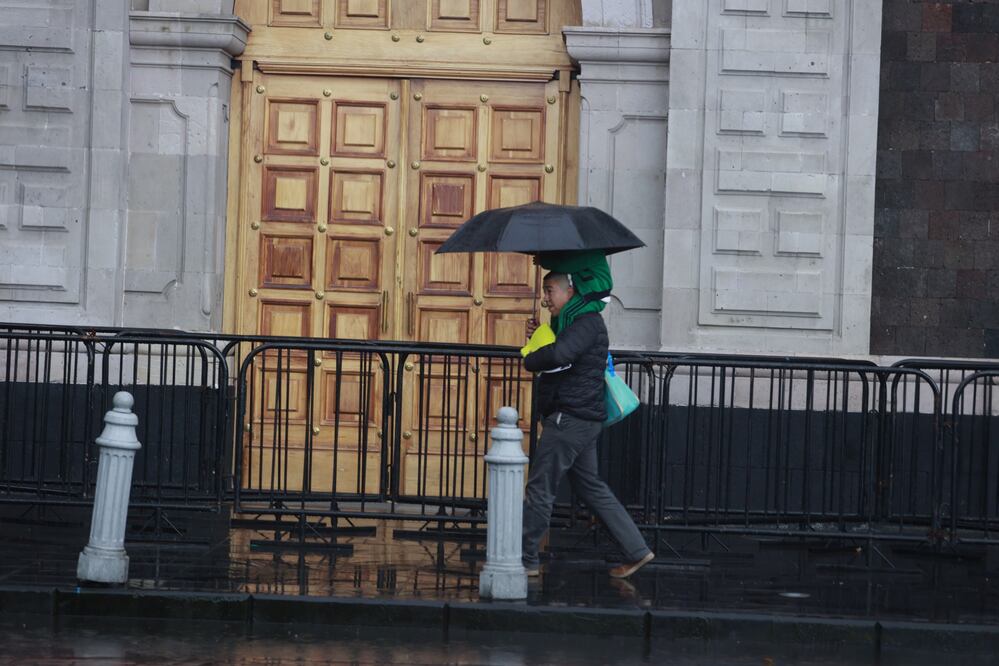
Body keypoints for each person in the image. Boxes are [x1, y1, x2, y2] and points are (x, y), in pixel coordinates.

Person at [521, 251, 654, 579]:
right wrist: (542, 333)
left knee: (540, 487)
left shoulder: (585, 322)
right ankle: (637, 550)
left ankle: (524, 560)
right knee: (591, 487)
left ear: (570, 290)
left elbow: (561, 355)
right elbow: (563, 351)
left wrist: (532, 356)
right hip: (582, 418)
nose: (545, 298)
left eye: (549, 290)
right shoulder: (575, 322)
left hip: (570, 419)